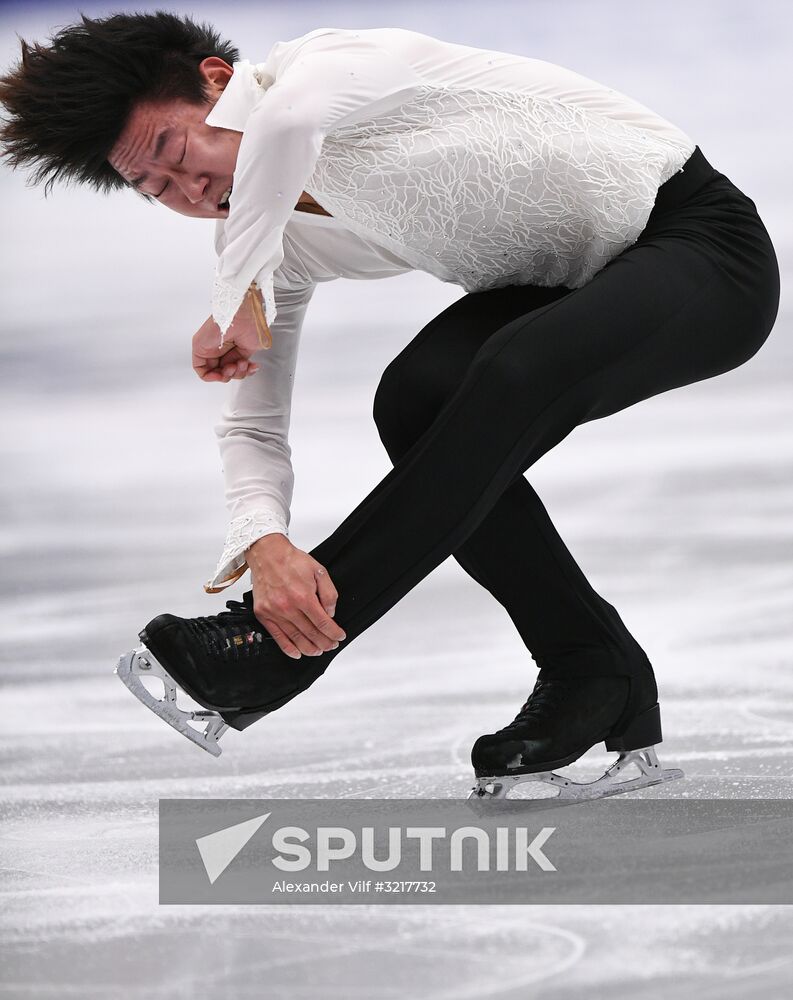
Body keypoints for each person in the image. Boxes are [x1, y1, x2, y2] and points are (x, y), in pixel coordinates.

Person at [1, 12, 779, 795]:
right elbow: (251, 415)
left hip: (700, 247)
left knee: (511, 368)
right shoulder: (263, 239)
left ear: (216, 81)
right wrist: (265, 541)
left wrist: (239, 286)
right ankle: (590, 668)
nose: (190, 189)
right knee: (416, 397)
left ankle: (275, 653)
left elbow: (291, 125)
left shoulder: (331, 66)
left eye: (174, 149)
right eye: (154, 188)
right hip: (567, 291)